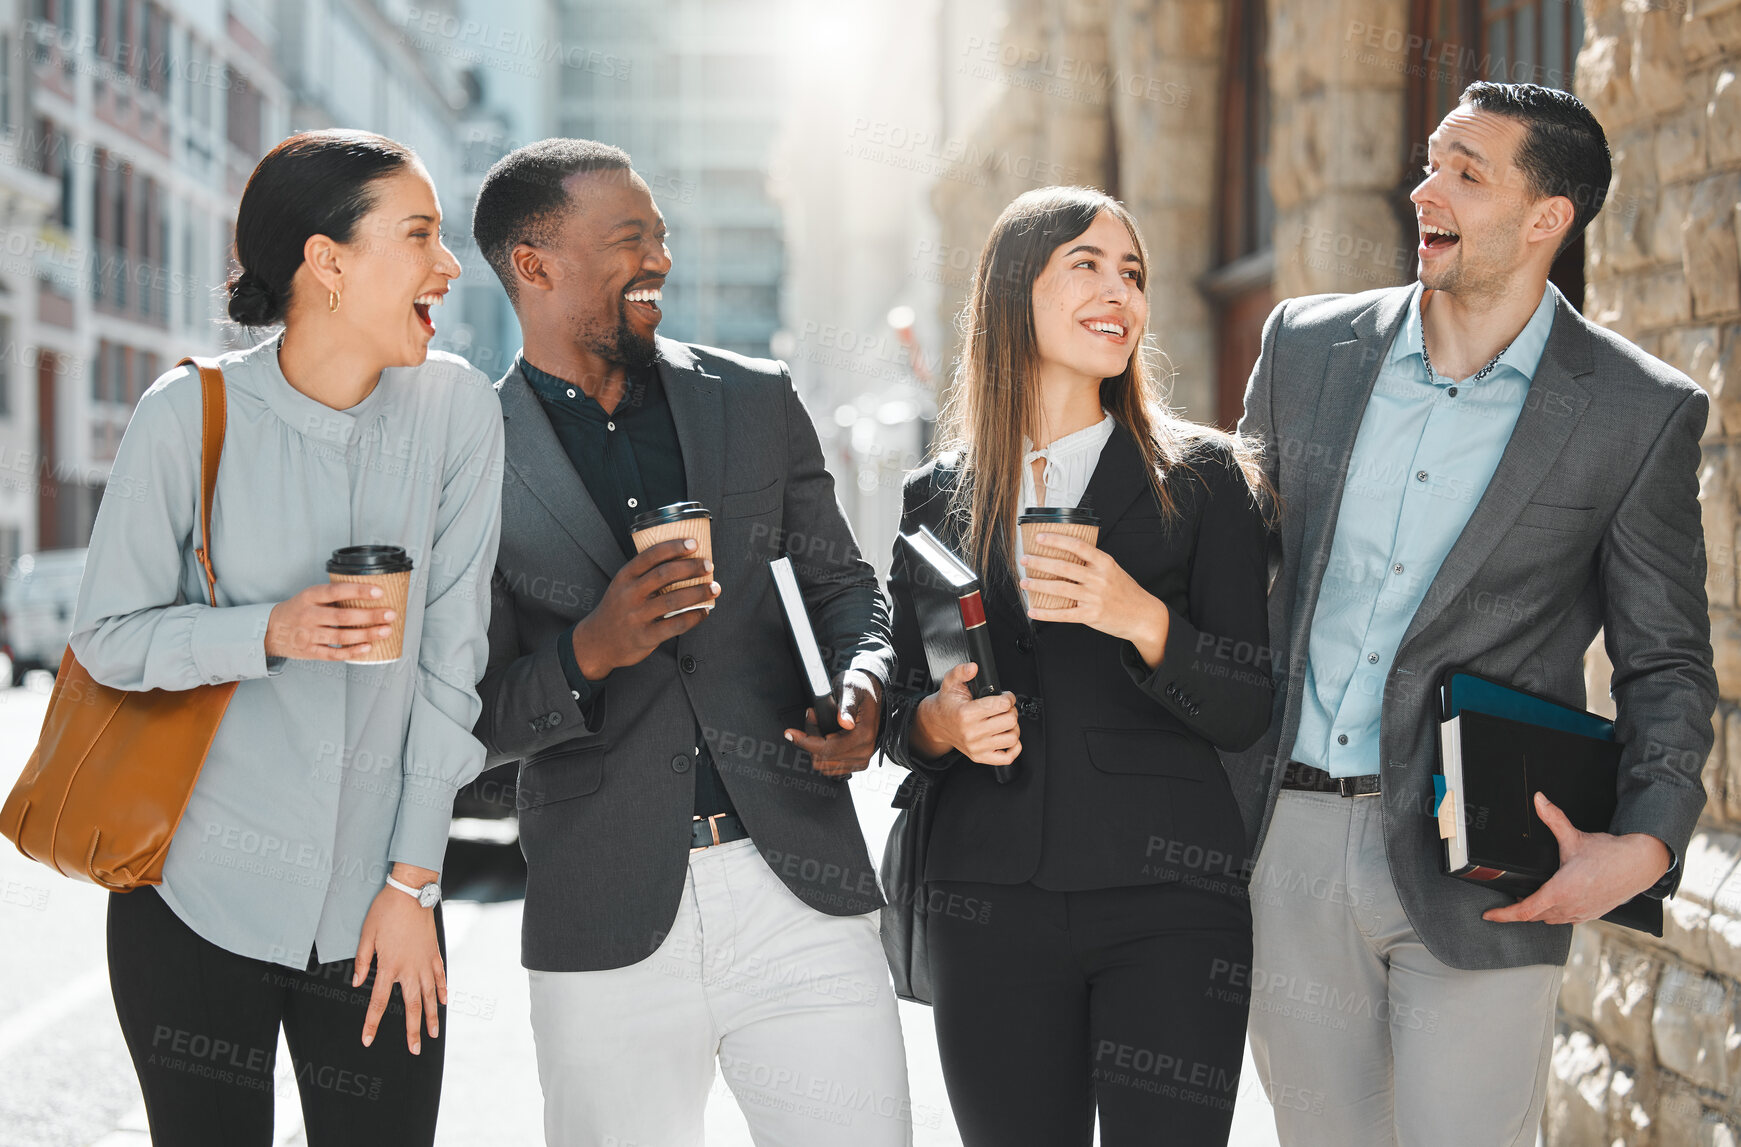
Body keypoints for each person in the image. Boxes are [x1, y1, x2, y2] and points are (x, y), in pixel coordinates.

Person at [1227, 82, 1717, 1145]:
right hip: (1290, 845)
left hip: (1486, 863)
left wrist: (1644, 845)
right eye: (1430, 161)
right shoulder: (1306, 349)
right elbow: (1228, 578)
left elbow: (1667, 660)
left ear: (1548, 217)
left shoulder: (1638, 412)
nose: (1423, 189)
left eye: (1465, 171)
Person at [468, 139, 912, 1146]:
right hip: (603, 913)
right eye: (629, 240)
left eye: (661, 236)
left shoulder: (753, 399)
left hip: (801, 891)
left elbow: (851, 591)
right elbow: (464, 715)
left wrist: (865, 690)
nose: (660, 259)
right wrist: (592, 647)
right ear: (534, 266)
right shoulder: (467, 451)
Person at [69, 129, 504, 1146]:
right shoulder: (188, 413)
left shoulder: (457, 412)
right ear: (328, 261)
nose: (448, 265)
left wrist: (413, 884)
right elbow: (106, 638)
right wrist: (265, 630)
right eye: (420, 235)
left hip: (381, 906)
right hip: (191, 899)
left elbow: (453, 661)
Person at [879, 185, 1275, 1146]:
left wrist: (1136, 616)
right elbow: (900, 709)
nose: (1119, 293)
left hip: (1169, 906)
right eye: (1086, 266)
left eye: (1131, 272)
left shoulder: (1205, 478)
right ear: (1014, 293)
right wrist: (941, 723)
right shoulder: (938, 493)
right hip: (987, 901)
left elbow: (1245, 703)